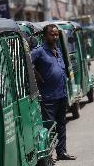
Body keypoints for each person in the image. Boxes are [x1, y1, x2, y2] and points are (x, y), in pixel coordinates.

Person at [31, 24, 77, 161]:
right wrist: (34, 72)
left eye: (56, 34)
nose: (55, 37)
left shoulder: (57, 50)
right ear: (45, 36)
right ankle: (48, 156)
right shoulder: (39, 51)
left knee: (61, 125)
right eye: (52, 34)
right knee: (50, 127)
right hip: (48, 97)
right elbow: (25, 62)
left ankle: (62, 152)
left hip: (61, 94)